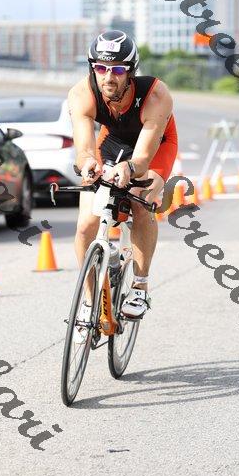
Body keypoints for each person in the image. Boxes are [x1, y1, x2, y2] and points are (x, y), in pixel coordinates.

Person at [68, 30, 178, 323]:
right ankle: (89, 301)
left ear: (130, 72)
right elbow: (84, 148)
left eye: (117, 70)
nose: (108, 77)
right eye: (101, 68)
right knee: (86, 224)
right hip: (113, 139)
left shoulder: (156, 95)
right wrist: (88, 163)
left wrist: (129, 169)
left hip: (154, 143)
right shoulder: (82, 93)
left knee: (141, 201)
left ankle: (140, 287)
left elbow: (141, 159)